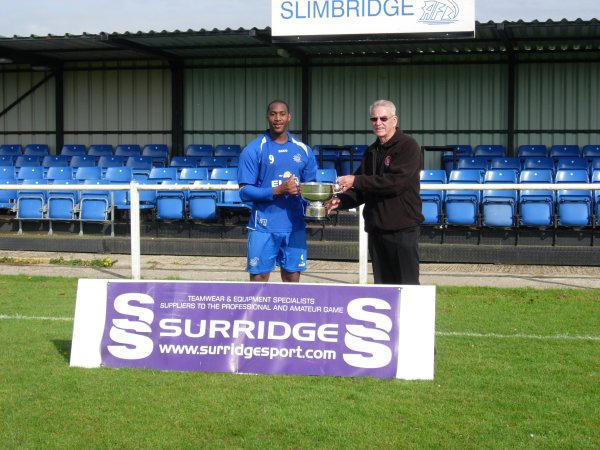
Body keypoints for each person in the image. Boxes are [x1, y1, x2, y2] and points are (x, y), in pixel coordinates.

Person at [326, 99, 423, 285]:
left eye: (383, 118)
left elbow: (395, 183)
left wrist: (356, 180)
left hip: (402, 230)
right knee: (383, 288)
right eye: (374, 119)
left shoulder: (408, 146)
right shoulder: (371, 151)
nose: (378, 122)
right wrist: (340, 201)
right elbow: (361, 189)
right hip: (376, 230)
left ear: (394, 120)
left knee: (408, 287)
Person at [237, 100, 318, 282]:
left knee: (291, 279)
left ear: (289, 117)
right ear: (267, 117)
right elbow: (244, 192)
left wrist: (318, 199)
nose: (278, 118)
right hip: (263, 226)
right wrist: (277, 190)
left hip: (294, 226)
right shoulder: (253, 150)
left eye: (282, 114)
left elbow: (311, 190)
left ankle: (288, 312)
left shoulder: (304, 151)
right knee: (259, 280)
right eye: (273, 114)